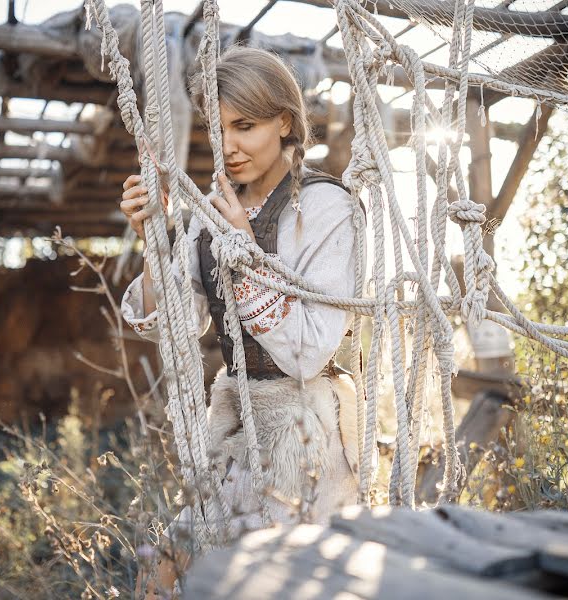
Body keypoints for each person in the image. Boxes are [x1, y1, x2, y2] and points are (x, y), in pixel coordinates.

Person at [119, 46, 364, 597]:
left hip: (306, 436)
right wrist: (154, 242)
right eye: (217, 127)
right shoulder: (213, 209)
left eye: (245, 126)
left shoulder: (327, 209)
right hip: (233, 428)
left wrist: (248, 254)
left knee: (261, 585)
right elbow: (178, 326)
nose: (228, 147)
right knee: (159, 572)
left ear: (285, 122)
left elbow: (307, 353)